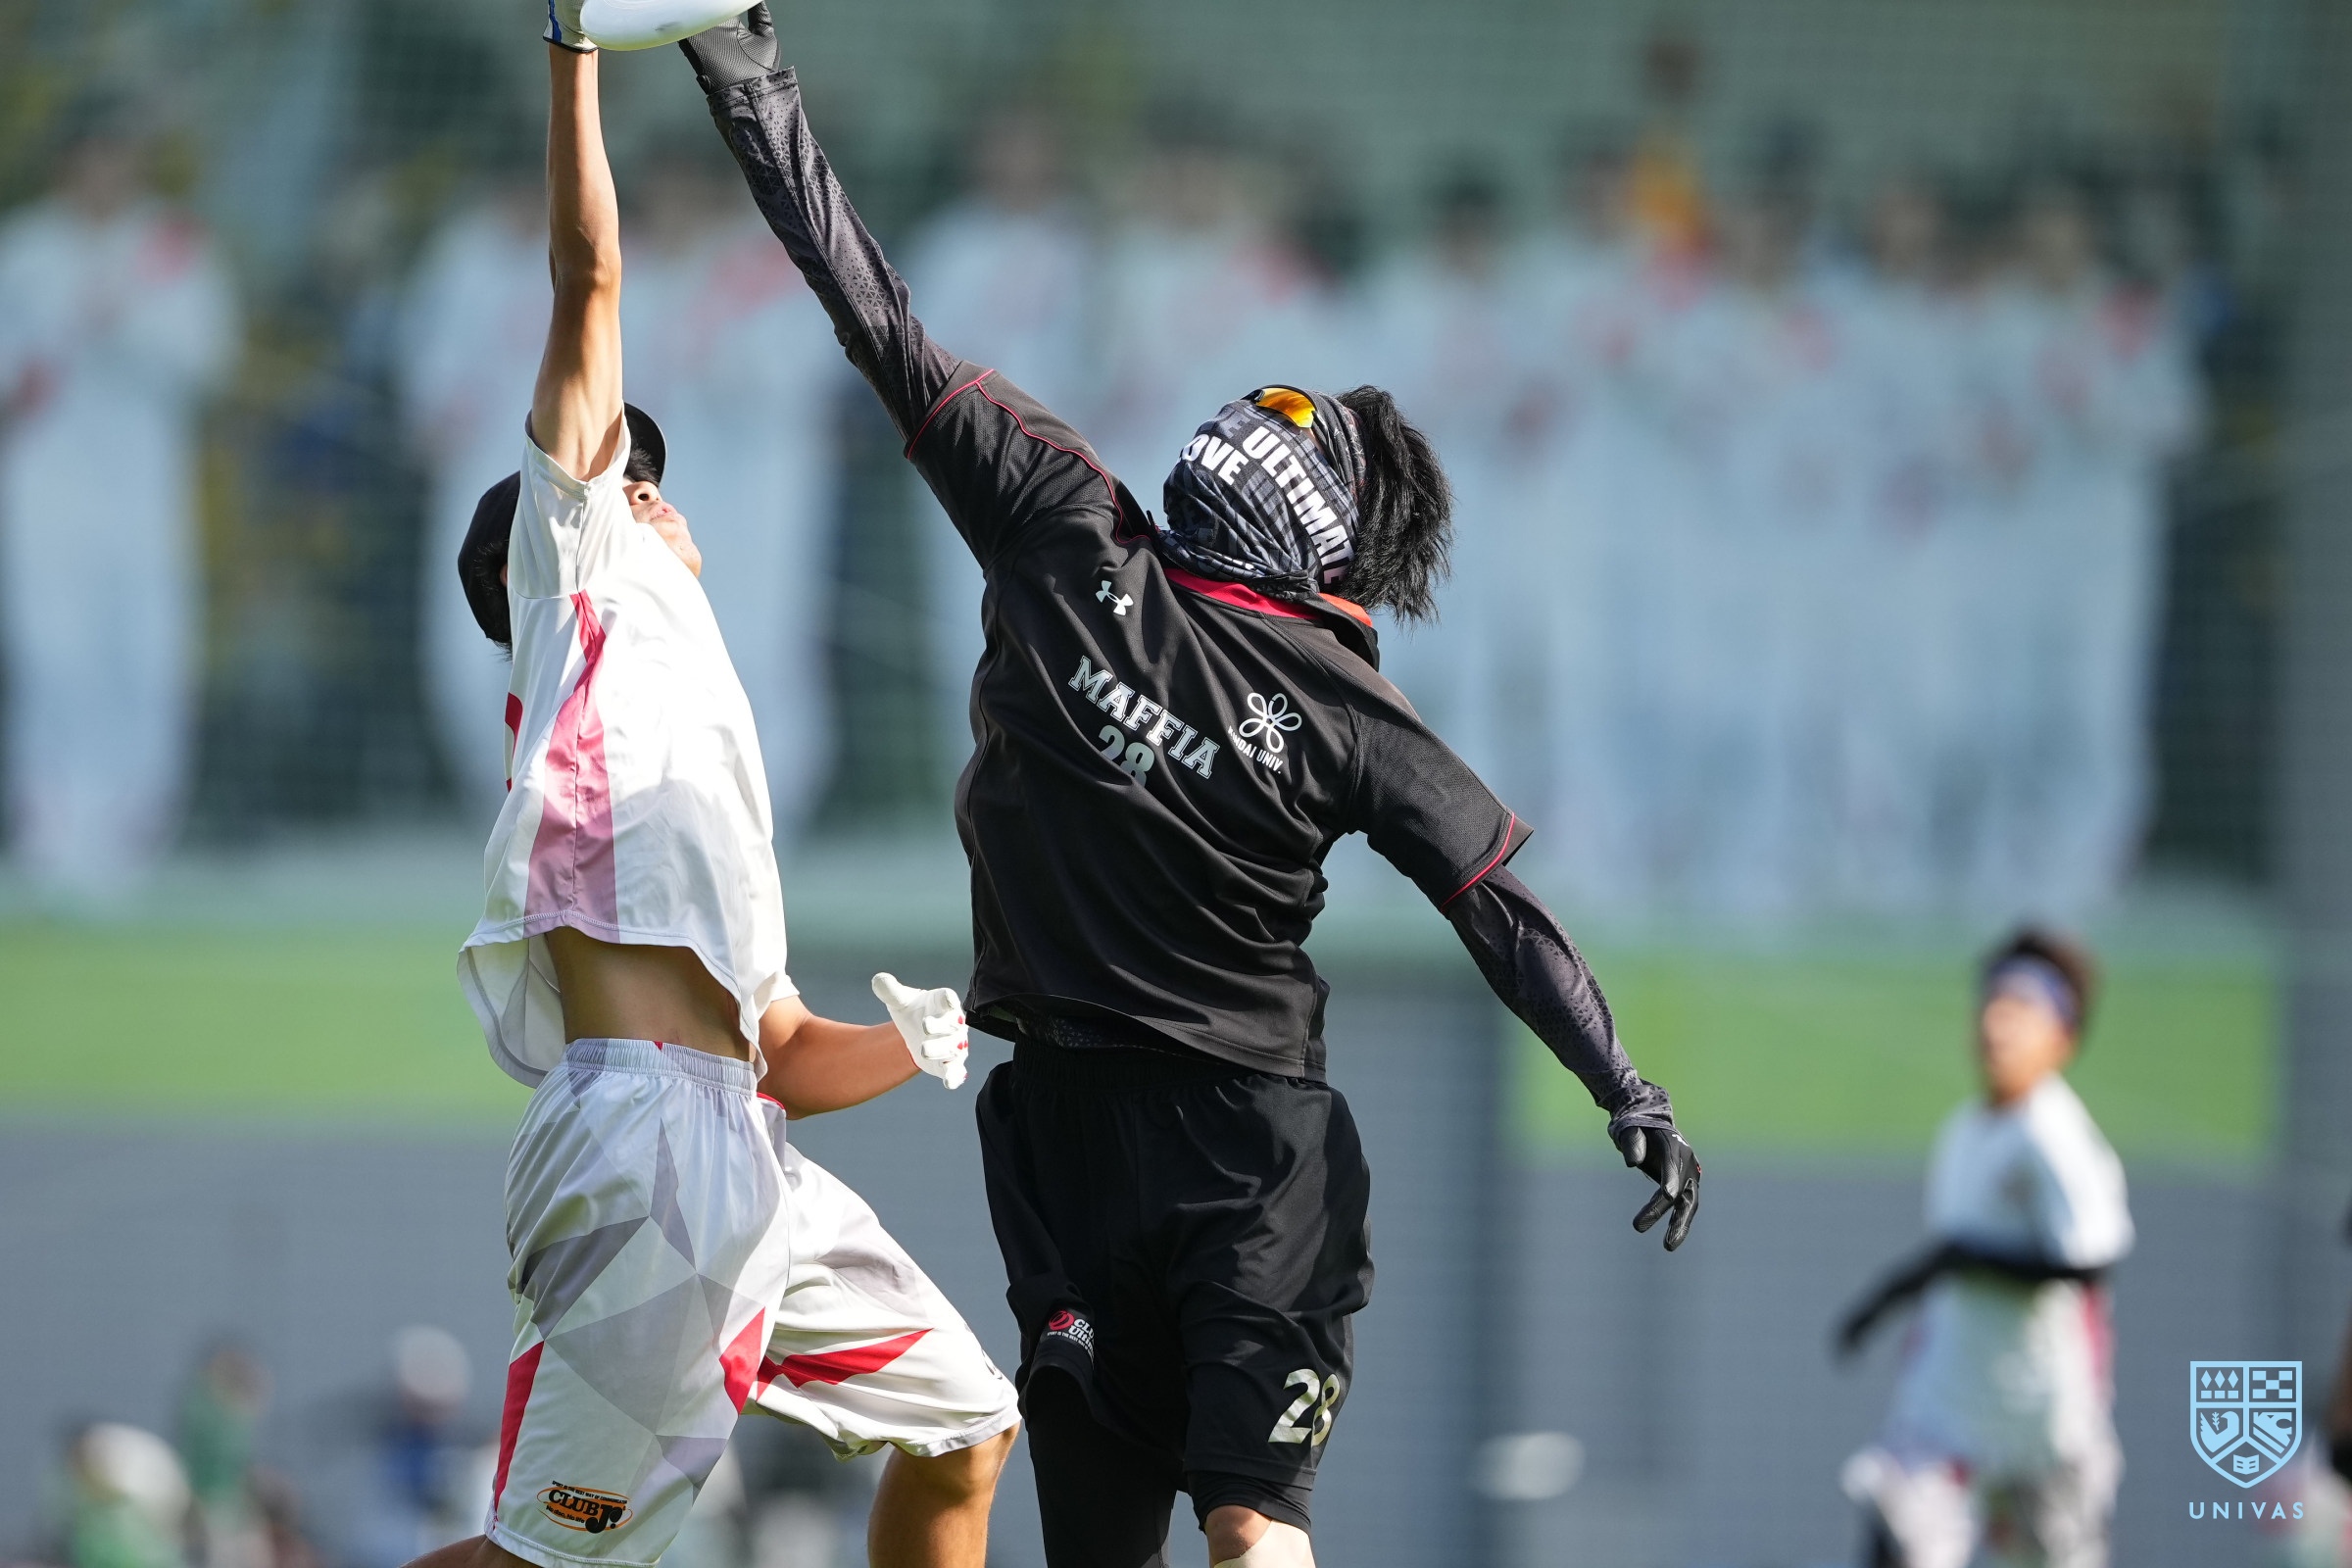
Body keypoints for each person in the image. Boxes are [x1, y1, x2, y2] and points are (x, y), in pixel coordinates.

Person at [677, 15, 1703, 1567]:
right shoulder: (1060, 515)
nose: (1239, 427)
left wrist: (1623, 1084)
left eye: (1282, 435)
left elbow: (1495, 904)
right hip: (1062, 1128)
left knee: (1251, 1531)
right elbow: (869, 307)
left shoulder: (1343, 702)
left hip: (1250, 1160)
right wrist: (748, 76)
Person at [401, 27, 1019, 1568]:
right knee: (545, 1556)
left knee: (966, 1427)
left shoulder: (695, 741)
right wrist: (576, 54)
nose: (652, 491)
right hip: (648, 1163)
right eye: (628, 476)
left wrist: (919, 1042)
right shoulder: (574, 579)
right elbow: (589, 280)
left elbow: (781, 1052)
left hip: (740, 1155)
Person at [1837, 929, 2132, 1568]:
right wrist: (1880, 1304)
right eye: (1994, 1002)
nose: (1998, 1022)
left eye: (2023, 1009)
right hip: (1945, 1407)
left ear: (2062, 1037)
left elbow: (2092, 1260)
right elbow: (1952, 1250)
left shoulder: (2054, 1136)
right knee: (1894, 1537)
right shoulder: (1965, 1131)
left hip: (2042, 1424)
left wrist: (1974, 1261)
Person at [0, 114, 238, 901]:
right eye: (96, 155)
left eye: (123, 156)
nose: (110, 171)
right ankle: (55, 828)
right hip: (46, 487)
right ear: (68, 162)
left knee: (148, 655)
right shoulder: (25, 251)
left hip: (143, 492)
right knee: (54, 651)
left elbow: (210, 359)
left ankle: (136, 827)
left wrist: (127, 324)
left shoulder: (170, 248)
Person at [620, 135, 845, 841]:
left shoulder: (765, 263)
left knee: (765, 643)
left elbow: (803, 370)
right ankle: (679, 813)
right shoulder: (637, 271)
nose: (672, 206)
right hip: (675, 493)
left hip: (766, 485)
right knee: (669, 644)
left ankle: (778, 814)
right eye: (659, 192)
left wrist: (722, 357)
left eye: (684, 190)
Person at [900, 106, 1098, 790]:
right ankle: (978, 786)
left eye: (1031, 146)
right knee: (966, 618)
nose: (1017, 162)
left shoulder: (1085, 243)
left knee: (1071, 619)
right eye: (1003, 146)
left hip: (1068, 467)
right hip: (970, 460)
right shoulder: (947, 244)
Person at [395, 165, 550, 822]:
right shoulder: (462, 259)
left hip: (569, 490)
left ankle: (562, 805)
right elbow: (425, 372)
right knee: (465, 652)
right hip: (478, 487)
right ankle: (498, 802)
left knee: (563, 646)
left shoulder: (590, 248)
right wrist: (432, 412)